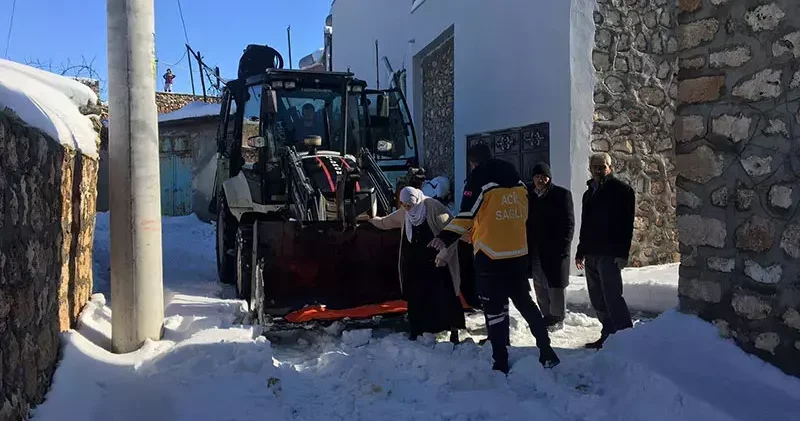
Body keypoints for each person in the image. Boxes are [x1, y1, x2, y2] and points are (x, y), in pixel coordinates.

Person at [430, 144, 559, 374]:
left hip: (490, 255)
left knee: (495, 310)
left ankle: (500, 361)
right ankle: (547, 351)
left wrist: (445, 236)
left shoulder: (479, 178)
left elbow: (466, 216)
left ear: (473, 162)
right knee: (526, 304)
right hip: (518, 253)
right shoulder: (517, 179)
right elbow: (522, 214)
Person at [368, 186, 465, 343]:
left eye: (410, 205)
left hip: (438, 264)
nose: (407, 208)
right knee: (417, 298)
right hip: (416, 265)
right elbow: (387, 222)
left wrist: (444, 255)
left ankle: (453, 331)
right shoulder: (405, 213)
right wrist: (373, 221)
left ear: (416, 199)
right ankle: (418, 331)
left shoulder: (433, 207)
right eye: (404, 205)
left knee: (444, 296)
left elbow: (452, 231)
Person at [575, 152, 636, 349]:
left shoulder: (622, 191)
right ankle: (608, 335)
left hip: (609, 253)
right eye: (595, 167)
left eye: (603, 167)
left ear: (610, 168)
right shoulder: (588, 194)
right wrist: (580, 251)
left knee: (612, 296)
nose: (599, 170)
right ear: (590, 169)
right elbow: (585, 224)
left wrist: (623, 254)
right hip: (591, 252)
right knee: (597, 297)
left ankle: (626, 337)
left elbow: (627, 225)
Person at [526, 162, 575, 332]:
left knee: (556, 285)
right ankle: (546, 315)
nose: (540, 180)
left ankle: (557, 317)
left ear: (549, 177)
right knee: (539, 284)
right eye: (537, 176)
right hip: (536, 249)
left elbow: (569, 223)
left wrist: (564, 247)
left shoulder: (561, 195)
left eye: (543, 176)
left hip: (555, 249)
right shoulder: (530, 196)